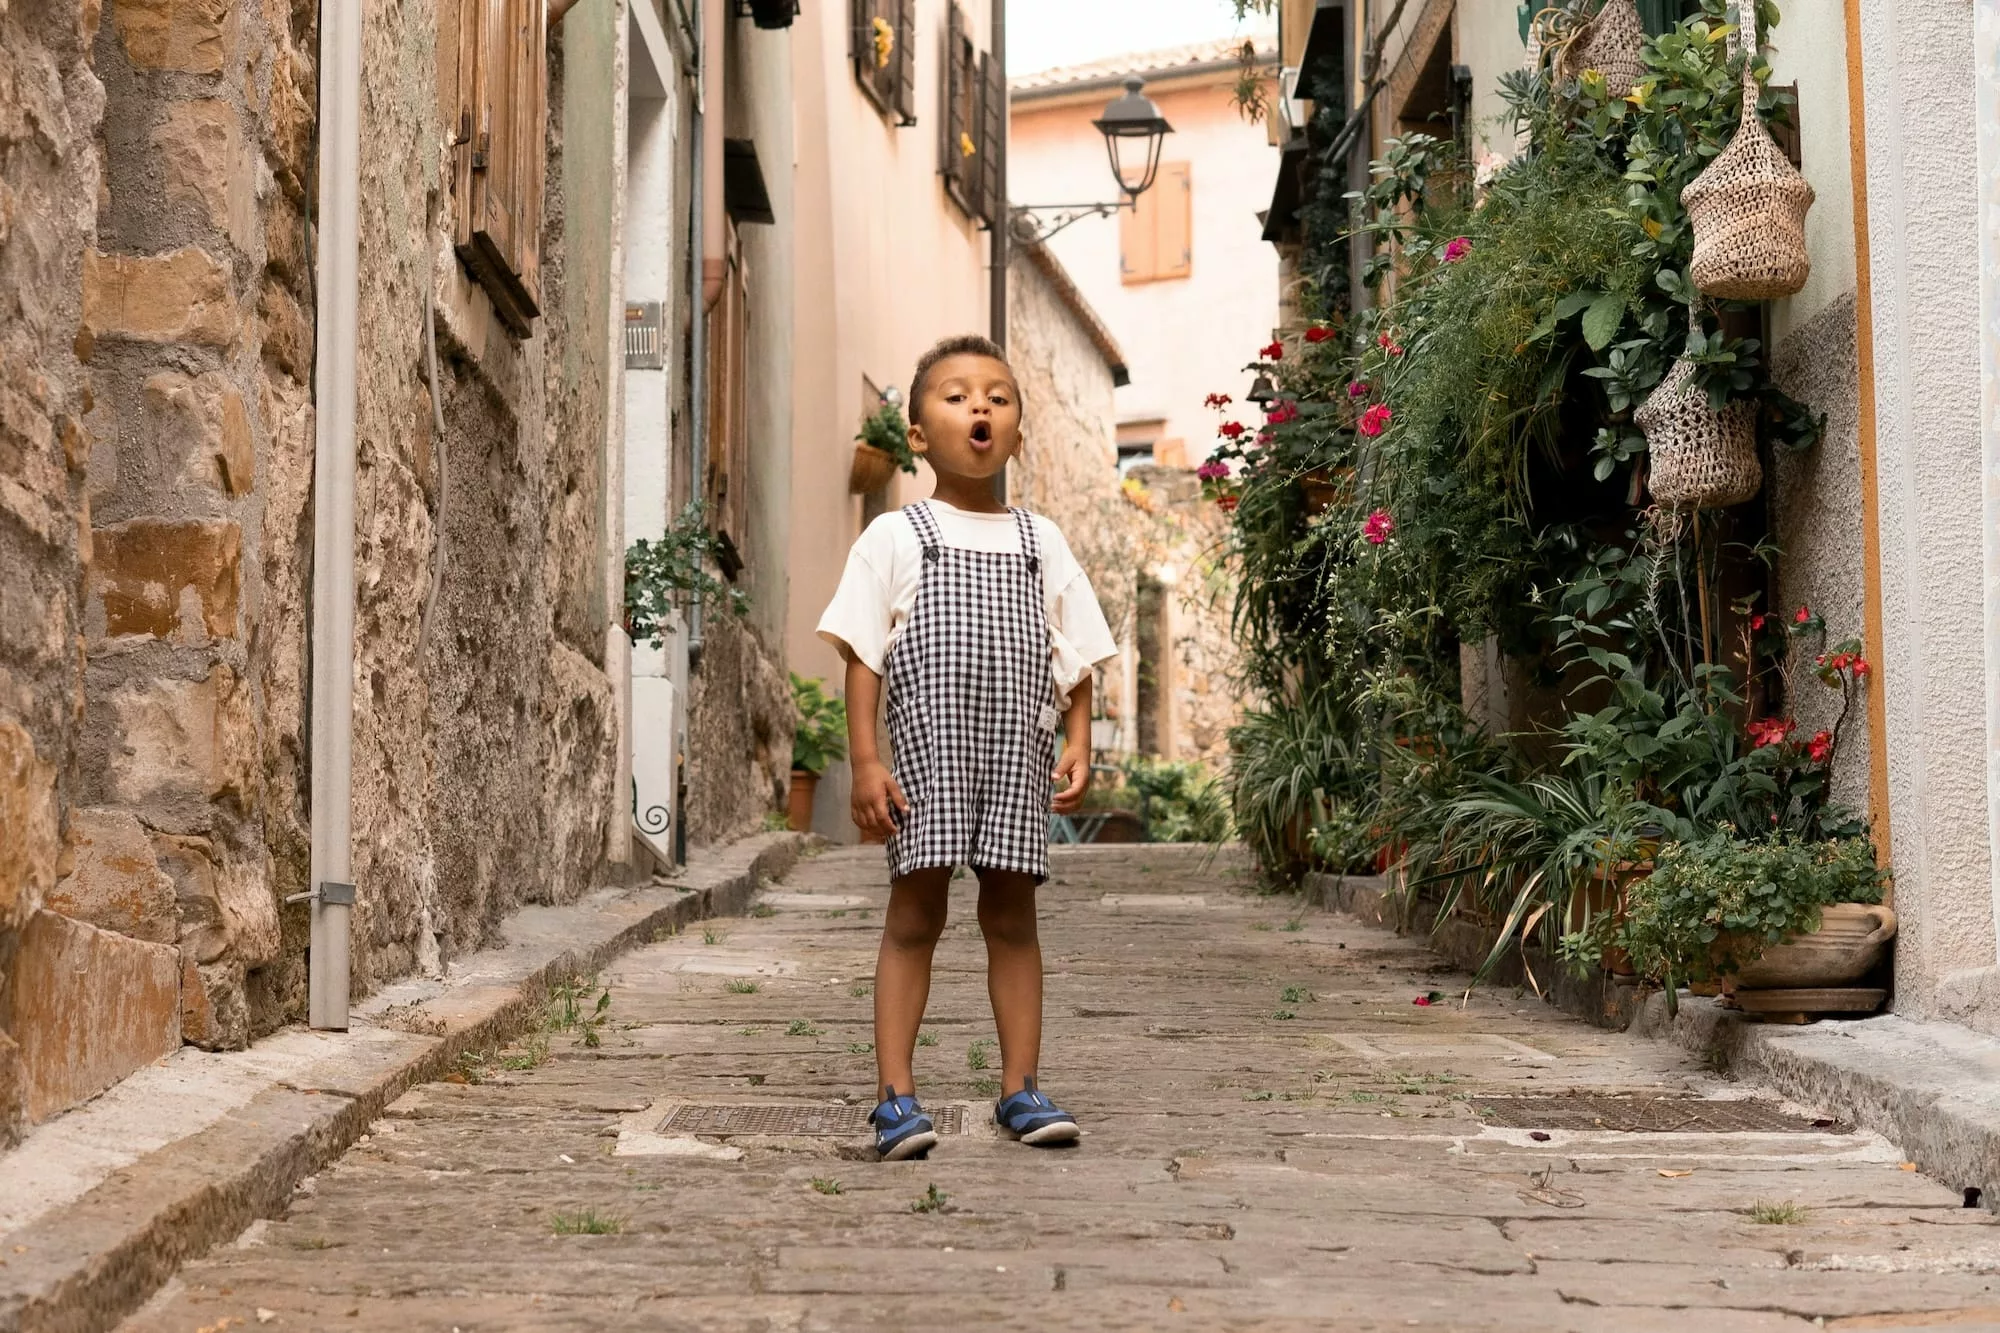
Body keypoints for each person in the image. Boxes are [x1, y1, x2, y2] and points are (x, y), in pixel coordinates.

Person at [816, 334, 1118, 1160]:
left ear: (1016, 432)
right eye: (955, 395)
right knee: (915, 913)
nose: (979, 405)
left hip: (1017, 759)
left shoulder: (1040, 541)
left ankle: (1020, 1087)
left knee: (1011, 916)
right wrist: (868, 761)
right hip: (925, 760)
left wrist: (1080, 735)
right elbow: (862, 655)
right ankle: (894, 1096)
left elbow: (1077, 651)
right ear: (916, 434)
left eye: (998, 395)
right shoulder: (896, 537)